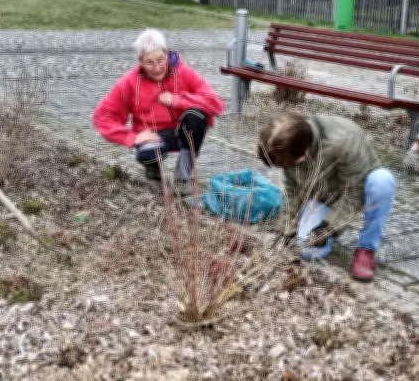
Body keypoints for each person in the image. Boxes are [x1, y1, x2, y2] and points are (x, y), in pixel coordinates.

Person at [256, 111, 396, 282]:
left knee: (382, 182)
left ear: (303, 155)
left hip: (357, 186)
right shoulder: (289, 144)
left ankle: (366, 248)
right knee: (308, 250)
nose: (286, 169)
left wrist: (328, 228)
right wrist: (285, 231)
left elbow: (354, 193)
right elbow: (293, 192)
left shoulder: (344, 140)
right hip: (325, 196)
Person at [92, 28, 225, 195]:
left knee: (197, 116)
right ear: (140, 61)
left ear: (167, 54)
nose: (157, 68)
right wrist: (131, 137)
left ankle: (183, 177)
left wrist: (178, 100)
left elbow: (216, 104)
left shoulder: (184, 73)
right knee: (149, 152)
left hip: (181, 132)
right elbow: (102, 116)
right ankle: (152, 166)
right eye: (149, 62)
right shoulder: (129, 82)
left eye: (161, 60)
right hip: (152, 136)